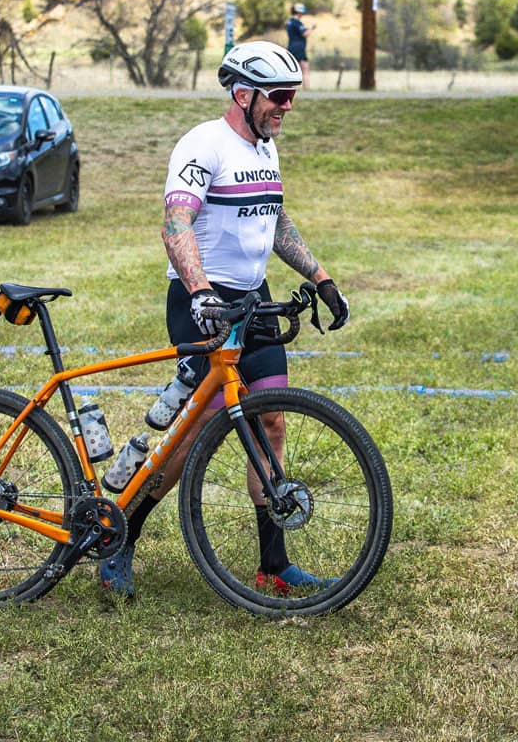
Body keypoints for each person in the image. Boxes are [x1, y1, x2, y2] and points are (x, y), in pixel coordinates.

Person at [97, 39, 351, 597]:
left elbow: (275, 220)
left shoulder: (265, 149)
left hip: (252, 300)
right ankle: (120, 535)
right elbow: (176, 224)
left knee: (272, 421)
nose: (288, 105)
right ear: (243, 94)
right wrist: (200, 291)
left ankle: (274, 565)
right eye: (279, 95)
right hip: (203, 304)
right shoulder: (203, 145)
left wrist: (321, 278)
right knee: (192, 438)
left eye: (292, 95)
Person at [285, 3, 312, 86]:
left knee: (291, 70)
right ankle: (307, 89)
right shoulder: (297, 22)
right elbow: (305, 33)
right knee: (305, 69)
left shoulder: (289, 22)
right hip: (299, 49)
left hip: (291, 47)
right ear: (298, 12)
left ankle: (288, 87)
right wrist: (311, 28)